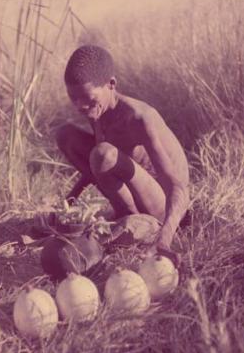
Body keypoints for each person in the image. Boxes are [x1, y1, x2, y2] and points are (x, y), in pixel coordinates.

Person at [55, 45, 190, 266]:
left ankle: (138, 223)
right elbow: (97, 166)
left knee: (103, 153)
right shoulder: (96, 109)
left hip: (163, 205)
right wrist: (68, 205)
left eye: (87, 97)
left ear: (111, 84)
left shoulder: (139, 118)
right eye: (73, 98)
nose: (80, 106)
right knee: (66, 135)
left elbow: (177, 187)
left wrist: (164, 240)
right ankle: (126, 217)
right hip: (132, 190)